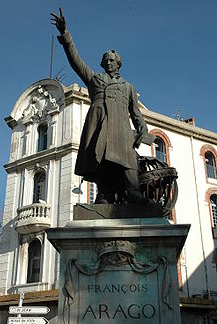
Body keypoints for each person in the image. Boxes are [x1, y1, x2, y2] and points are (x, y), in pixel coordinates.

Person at [51, 8, 155, 203]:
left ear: (118, 64)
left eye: (112, 60)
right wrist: (66, 35)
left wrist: (142, 129)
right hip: (98, 125)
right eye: (105, 60)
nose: (108, 62)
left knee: (128, 160)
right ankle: (103, 195)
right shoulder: (94, 79)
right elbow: (76, 61)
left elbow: (136, 113)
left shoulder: (127, 87)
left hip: (121, 128)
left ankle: (134, 194)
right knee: (100, 160)